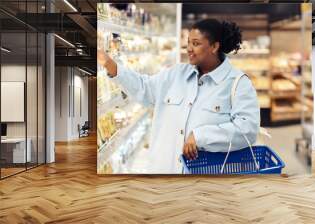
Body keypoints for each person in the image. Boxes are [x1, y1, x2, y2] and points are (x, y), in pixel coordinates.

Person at [98, 18, 260, 174]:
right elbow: (144, 88)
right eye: (188, 42)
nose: (189, 48)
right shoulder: (176, 74)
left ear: (214, 46)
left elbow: (248, 129)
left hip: (203, 185)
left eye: (195, 44)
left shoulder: (237, 84)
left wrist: (201, 136)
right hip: (162, 175)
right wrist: (110, 65)